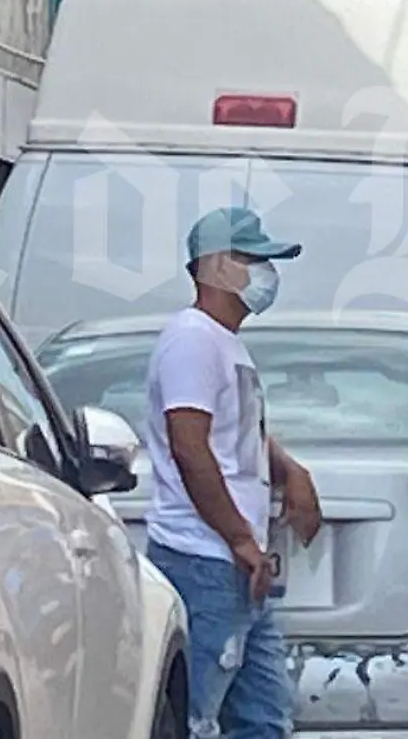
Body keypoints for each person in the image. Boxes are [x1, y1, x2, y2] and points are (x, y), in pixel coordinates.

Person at [143, 206, 322, 739]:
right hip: (206, 563)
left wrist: (289, 469)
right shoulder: (192, 340)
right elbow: (191, 448)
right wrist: (241, 540)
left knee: (263, 717)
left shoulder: (224, 343)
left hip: (237, 567)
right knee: (197, 715)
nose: (266, 273)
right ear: (217, 266)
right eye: (253, 259)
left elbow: (236, 434)